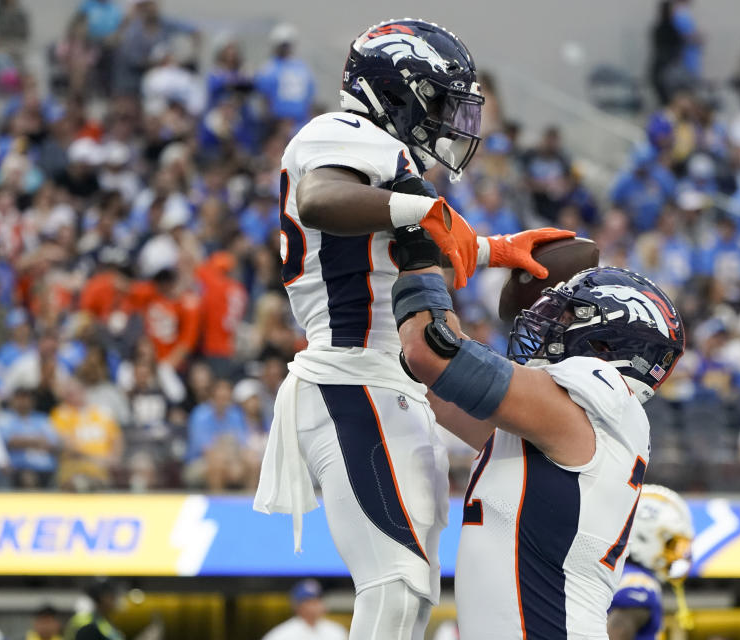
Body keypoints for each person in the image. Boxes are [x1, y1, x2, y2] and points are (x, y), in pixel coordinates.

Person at [252, 19, 571, 640]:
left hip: (388, 383)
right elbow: (321, 198)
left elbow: (401, 245)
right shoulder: (340, 132)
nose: (449, 119)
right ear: (398, 91)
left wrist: (497, 249)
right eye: (439, 100)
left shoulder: (386, 164)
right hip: (351, 377)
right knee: (394, 586)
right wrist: (421, 208)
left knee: (413, 591)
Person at [390, 254, 685, 638]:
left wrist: (420, 245)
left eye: (570, 316)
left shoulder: (594, 404)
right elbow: (429, 382)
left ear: (607, 343)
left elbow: (431, 354)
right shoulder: (566, 426)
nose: (552, 324)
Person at [607, 485, 695, 640]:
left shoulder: (614, 574)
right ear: (643, 535)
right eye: (670, 544)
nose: (676, 555)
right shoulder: (639, 584)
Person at [254, 23, 315, 130]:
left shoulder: (301, 67)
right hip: (276, 122)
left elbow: (309, 96)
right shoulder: (269, 68)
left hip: (300, 120)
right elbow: (264, 97)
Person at [262, 580, 347, 640]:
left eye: (318, 600)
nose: (317, 605)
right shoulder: (281, 635)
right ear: (298, 606)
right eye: (310, 602)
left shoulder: (336, 631)